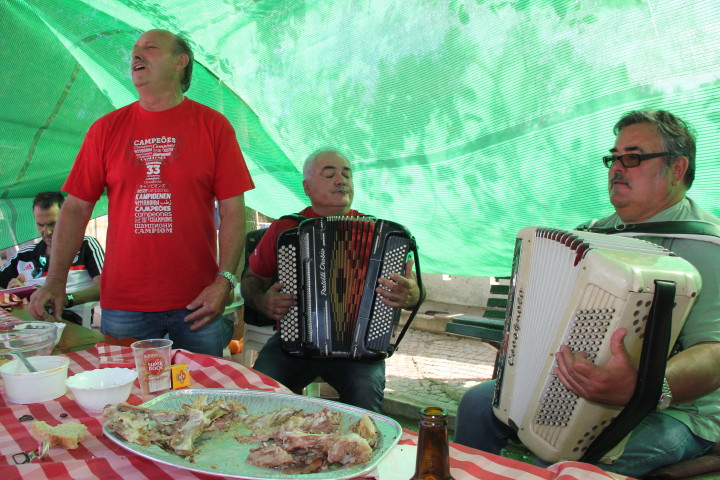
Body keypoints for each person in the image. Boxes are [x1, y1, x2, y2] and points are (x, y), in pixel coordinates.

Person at [454, 110, 720, 477]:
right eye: (613, 157)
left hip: (677, 412)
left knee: (562, 463)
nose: (616, 168)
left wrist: (645, 386)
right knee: (477, 403)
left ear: (677, 169)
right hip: (577, 386)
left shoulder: (707, 246)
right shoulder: (595, 235)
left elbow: (715, 352)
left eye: (634, 157)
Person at [29, 30, 253, 357]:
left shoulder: (214, 125)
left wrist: (225, 281)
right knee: (126, 401)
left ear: (180, 62)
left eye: (150, 48)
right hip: (124, 305)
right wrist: (55, 279)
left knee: (203, 399)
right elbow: (76, 208)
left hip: (198, 301)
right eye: (134, 50)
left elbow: (234, 212)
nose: (136, 55)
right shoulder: (105, 129)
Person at [241, 148, 421, 413]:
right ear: (308, 187)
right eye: (330, 175)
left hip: (360, 348)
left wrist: (412, 294)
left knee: (365, 405)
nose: (341, 180)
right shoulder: (286, 228)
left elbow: (415, 291)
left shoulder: (381, 236)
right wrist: (262, 301)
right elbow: (251, 279)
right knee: (261, 397)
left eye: (347, 175)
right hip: (293, 344)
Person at [0, 191, 103, 325]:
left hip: (68, 318)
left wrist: (65, 299)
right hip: (26, 320)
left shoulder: (86, 245)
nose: (46, 232)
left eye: (52, 224)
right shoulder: (24, 254)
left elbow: (105, 287)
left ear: (66, 218)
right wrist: (12, 293)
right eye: (40, 225)